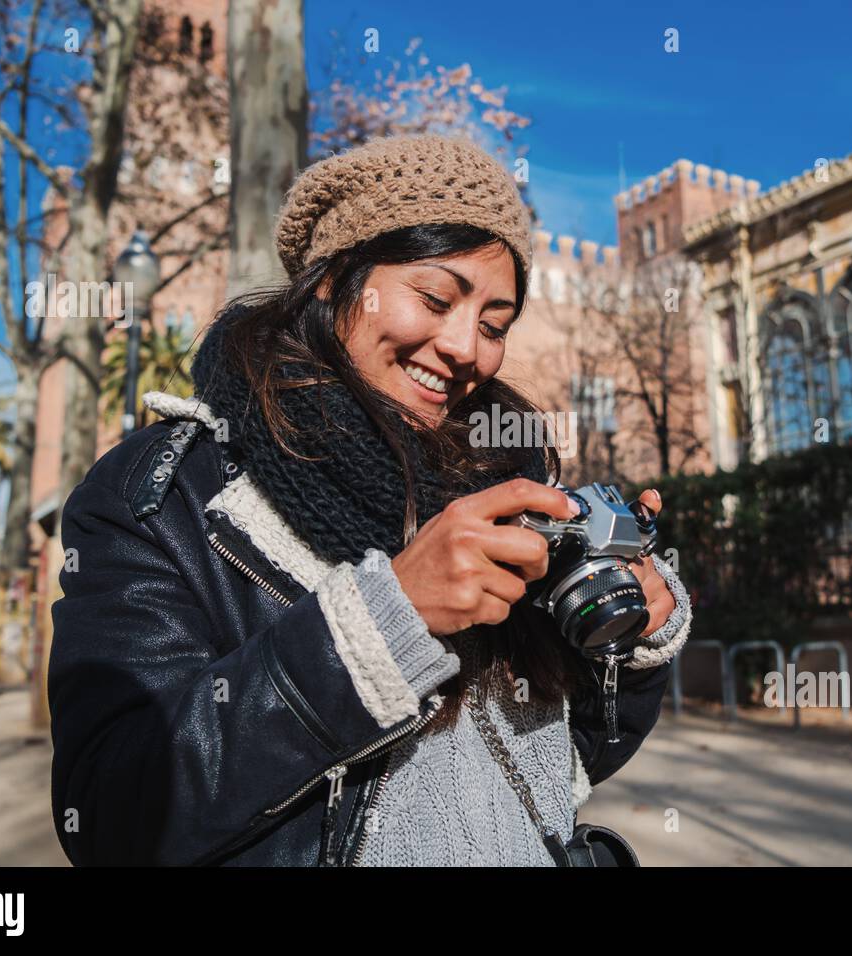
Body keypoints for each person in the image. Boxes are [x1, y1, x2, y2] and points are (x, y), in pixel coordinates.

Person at [48, 133, 692, 867]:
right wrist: (384, 624)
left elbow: (559, 763)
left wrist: (623, 644)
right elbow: (108, 811)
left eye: (493, 325)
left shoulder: (502, 483)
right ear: (333, 281)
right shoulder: (167, 494)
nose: (465, 349)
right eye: (435, 298)